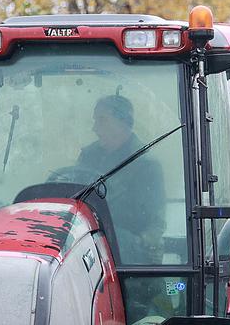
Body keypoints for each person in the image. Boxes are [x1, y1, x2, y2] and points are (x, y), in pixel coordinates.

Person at [66, 94, 166, 263]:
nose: (95, 128)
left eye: (102, 120)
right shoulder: (89, 156)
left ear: (123, 122)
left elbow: (155, 223)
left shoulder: (146, 165)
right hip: (89, 244)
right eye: (95, 120)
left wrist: (137, 242)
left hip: (131, 256)